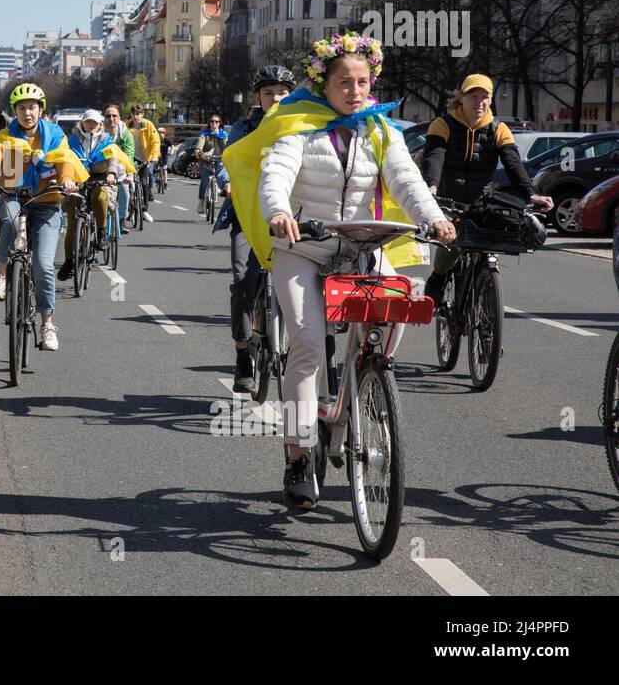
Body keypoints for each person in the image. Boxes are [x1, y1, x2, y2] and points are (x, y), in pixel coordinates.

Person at [228, 34, 454, 509]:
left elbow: (407, 179)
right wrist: (277, 212)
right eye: (344, 82)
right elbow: (276, 174)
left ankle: (353, 396)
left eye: (363, 82)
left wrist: (433, 217)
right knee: (308, 344)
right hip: (302, 247)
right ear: (324, 86)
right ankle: (297, 455)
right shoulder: (296, 125)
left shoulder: (381, 130)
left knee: (393, 319)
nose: (355, 90)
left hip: (363, 245)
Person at [0, 83, 87, 351]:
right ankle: (1, 276)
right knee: (9, 221)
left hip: (47, 203)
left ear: (41, 110)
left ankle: (47, 323)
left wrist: (67, 180)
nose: (27, 113)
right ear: (16, 112)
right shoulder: (5, 134)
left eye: (32, 108)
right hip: (15, 197)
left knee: (43, 266)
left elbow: (65, 160)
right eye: (21, 109)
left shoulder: (55, 134)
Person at [420, 73, 551, 303]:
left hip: (482, 200)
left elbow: (512, 163)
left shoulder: (498, 128)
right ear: (461, 98)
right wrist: (431, 187)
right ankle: (438, 278)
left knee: (489, 237)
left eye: (484, 96)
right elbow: (434, 157)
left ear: (490, 100)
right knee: (450, 243)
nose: (479, 101)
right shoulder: (443, 124)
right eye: (473, 96)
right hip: (449, 197)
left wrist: (531, 193)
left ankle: (483, 284)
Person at [213, 65, 297, 394]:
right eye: (268, 93)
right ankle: (243, 356)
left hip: (289, 217)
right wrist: (227, 184)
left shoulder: (299, 126)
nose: (275, 99)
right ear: (257, 98)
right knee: (243, 282)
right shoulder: (244, 127)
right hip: (246, 217)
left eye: (281, 92)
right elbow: (227, 161)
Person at [58, 109, 133, 280]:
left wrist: (112, 173)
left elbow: (113, 158)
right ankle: (69, 262)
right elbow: (66, 159)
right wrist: (67, 178)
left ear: (100, 124)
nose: (91, 125)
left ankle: (101, 231)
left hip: (100, 178)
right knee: (72, 222)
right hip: (77, 181)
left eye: (94, 122)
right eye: (88, 122)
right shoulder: (73, 139)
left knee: (100, 197)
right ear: (82, 123)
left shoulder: (106, 139)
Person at [102, 104, 136, 235]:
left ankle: (122, 219)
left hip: (121, 169)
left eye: (114, 115)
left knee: (125, 192)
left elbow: (129, 154)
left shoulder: (125, 134)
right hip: (103, 170)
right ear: (104, 118)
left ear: (119, 118)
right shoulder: (99, 131)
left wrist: (130, 174)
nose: (111, 118)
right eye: (108, 116)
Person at [127, 104, 161, 203]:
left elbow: (155, 141)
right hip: (131, 157)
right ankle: (130, 202)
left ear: (142, 114)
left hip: (145, 157)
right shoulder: (127, 125)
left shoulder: (148, 125)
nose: (136, 116)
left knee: (144, 181)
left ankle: (145, 207)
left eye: (138, 114)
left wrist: (154, 156)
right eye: (133, 114)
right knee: (128, 180)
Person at [194, 114, 227, 214]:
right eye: (212, 121)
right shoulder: (205, 134)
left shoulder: (223, 134)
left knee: (221, 176)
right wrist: (198, 151)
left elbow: (227, 146)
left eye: (216, 122)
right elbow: (200, 144)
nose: (213, 123)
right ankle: (201, 201)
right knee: (204, 180)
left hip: (218, 160)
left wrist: (227, 154)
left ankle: (219, 189)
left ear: (219, 124)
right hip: (205, 160)